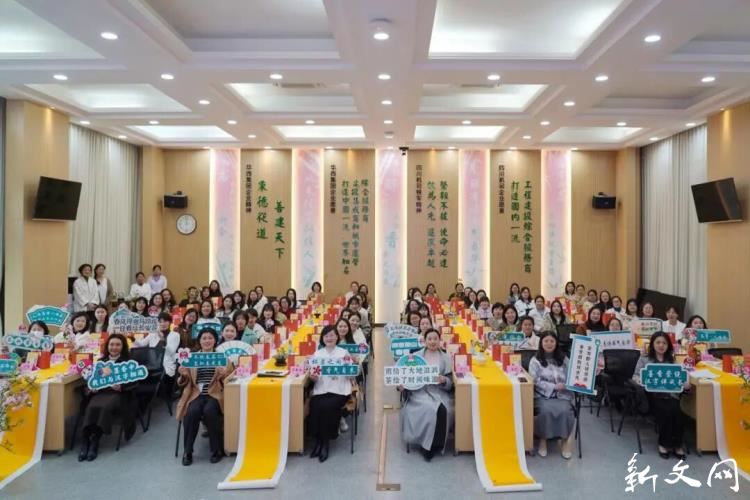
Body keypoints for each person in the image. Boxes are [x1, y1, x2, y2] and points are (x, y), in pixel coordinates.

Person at [176, 328, 233, 466]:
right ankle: (187, 451)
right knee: (191, 412)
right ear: (200, 341)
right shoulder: (192, 358)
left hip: (215, 393)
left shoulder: (222, 358)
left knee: (210, 411)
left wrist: (224, 374)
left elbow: (231, 378)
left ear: (215, 340)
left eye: (210, 338)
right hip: (196, 393)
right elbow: (183, 381)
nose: (207, 341)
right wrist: (183, 375)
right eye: (204, 338)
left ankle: (216, 449)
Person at [78, 333, 137, 462]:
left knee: (104, 407)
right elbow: (91, 379)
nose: (114, 347)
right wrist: (91, 387)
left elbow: (134, 383)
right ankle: (85, 439)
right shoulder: (100, 362)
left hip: (118, 394)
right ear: (107, 346)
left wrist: (121, 386)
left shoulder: (128, 363)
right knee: (91, 406)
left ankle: (95, 441)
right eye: (111, 344)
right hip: (100, 392)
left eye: (118, 345)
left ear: (123, 346)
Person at [399, 328, 454, 461]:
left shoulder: (446, 358)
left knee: (444, 409)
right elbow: (404, 376)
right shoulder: (415, 357)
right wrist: (402, 386)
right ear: (425, 341)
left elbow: (450, 382)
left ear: (439, 340)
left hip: (438, 391)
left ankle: (436, 444)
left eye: (435, 339)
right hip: (419, 391)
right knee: (429, 409)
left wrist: (444, 380)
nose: (432, 342)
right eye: (429, 339)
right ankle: (426, 446)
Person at [633, 332, 688, 459]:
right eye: (658, 342)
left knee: (678, 413)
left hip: (670, 395)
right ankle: (664, 444)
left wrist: (685, 384)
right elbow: (635, 376)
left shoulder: (672, 360)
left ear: (668, 345)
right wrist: (641, 381)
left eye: (664, 343)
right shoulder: (644, 359)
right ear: (652, 344)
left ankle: (677, 445)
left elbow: (679, 377)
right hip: (651, 396)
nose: (661, 345)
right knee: (666, 412)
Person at [308, 326, 354, 463]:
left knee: (328, 407)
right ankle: (318, 442)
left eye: (332, 335)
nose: (329, 338)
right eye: (326, 336)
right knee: (315, 405)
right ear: (322, 338)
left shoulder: (343, 353)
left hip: (339, 389)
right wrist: (313, 377)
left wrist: (346, 370)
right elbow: (314, 377)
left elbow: (351, 374)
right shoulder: (318, 355)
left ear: (337, 337)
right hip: (321, 388)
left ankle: (325, 443)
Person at [528, 332, 575, 459]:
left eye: (552, 341)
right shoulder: (535, 360)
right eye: (546, 341)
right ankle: (543, 440)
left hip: (562, 394)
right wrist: (553, 386)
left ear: (556, 343)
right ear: (541, 343)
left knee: (565, 411)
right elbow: (534, 380)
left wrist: (566, 385)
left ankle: (564, 441)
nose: (549, 344)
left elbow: (572, 375)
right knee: (545, 411)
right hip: (543, 395)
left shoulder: (564, 359)